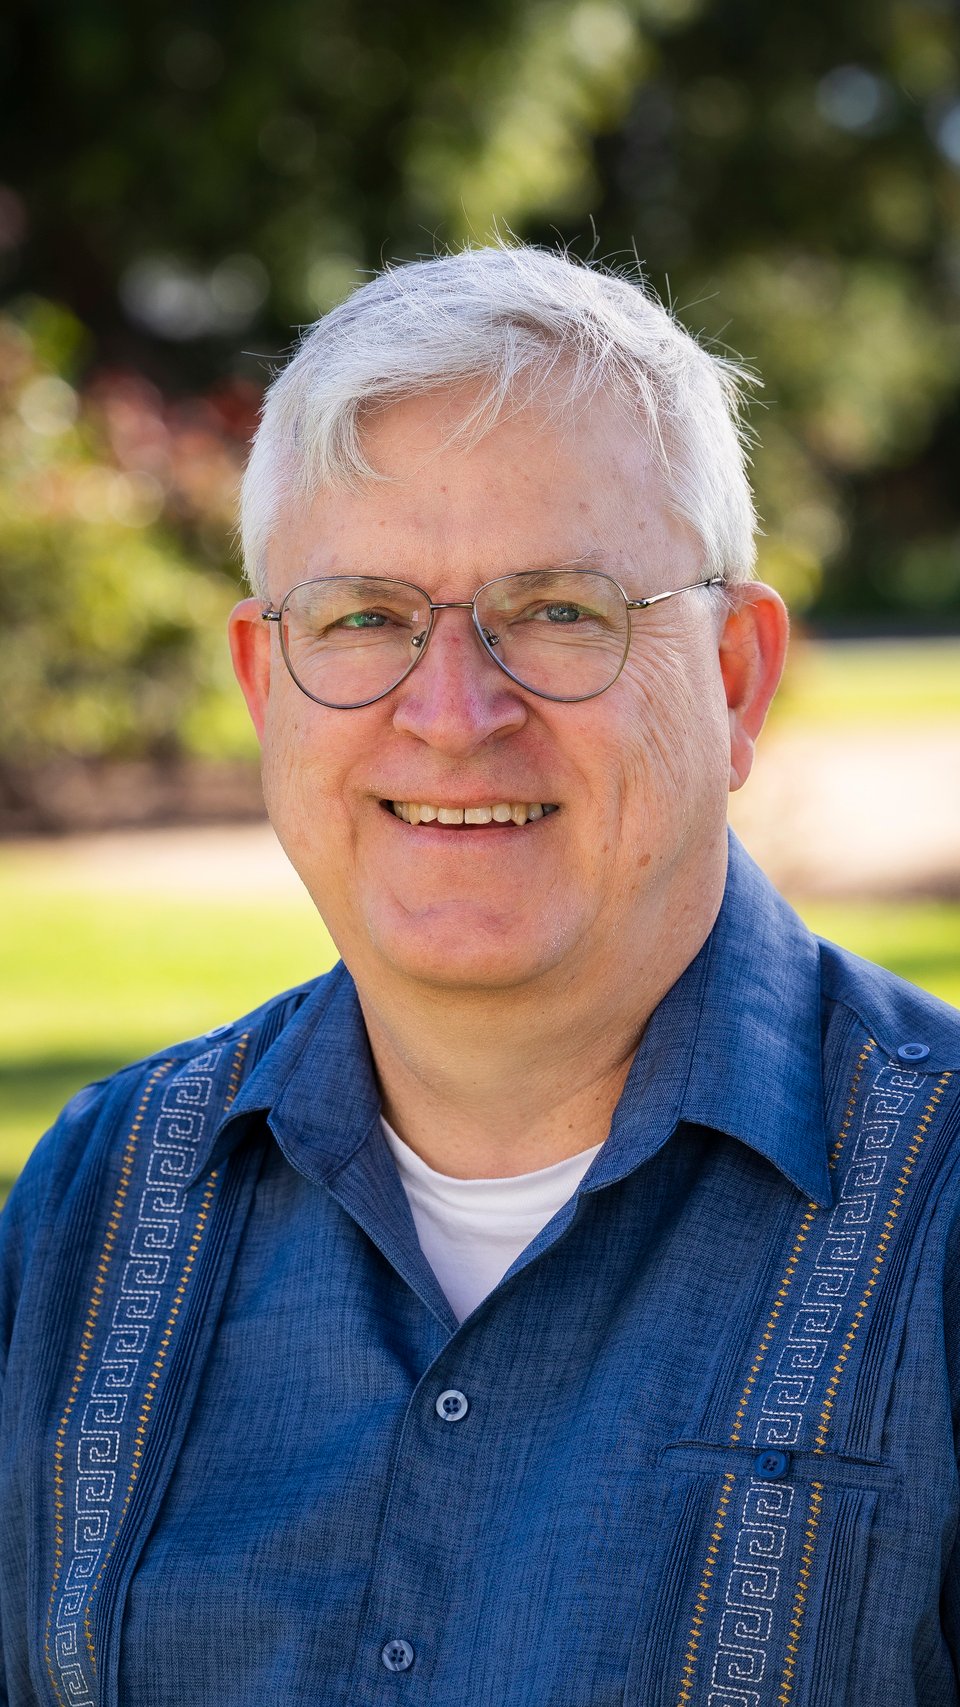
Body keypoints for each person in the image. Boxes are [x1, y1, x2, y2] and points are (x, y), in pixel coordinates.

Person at [2, 244, 959, 1707]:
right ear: (266, 688)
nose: (452, 715)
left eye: (561, 608)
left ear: (734, 678)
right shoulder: (87, 1212)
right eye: (366, 617)